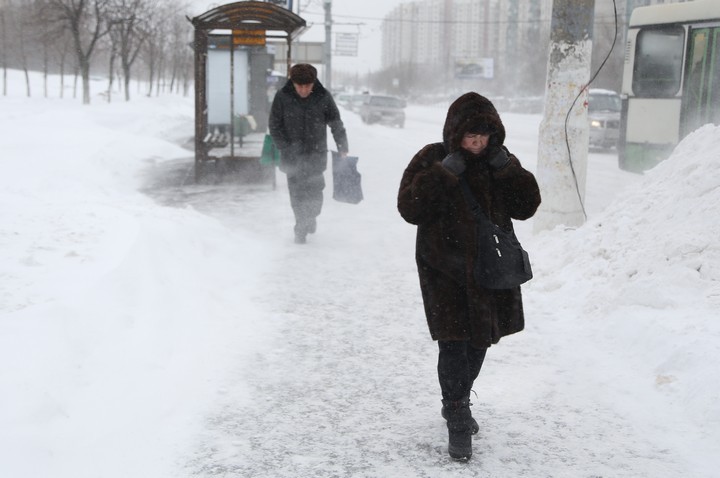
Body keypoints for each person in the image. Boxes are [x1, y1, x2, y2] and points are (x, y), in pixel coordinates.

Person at [397, 92, 541, 461]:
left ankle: (456, 399)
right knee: (453, 340)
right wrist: (444, 173)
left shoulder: (499, 162)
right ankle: (458, 414)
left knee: (480, 341)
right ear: (455, 134)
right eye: (470, 137)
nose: (477, 144)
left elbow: (528, 207)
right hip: (443, 269)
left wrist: (507, 167)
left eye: (484, 137)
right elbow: (409, 208)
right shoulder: (432, 158)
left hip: (489, 269)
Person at [268, 63, 349, 244]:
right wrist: (285, 147)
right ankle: (301, 227)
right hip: (292, 157)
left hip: (316, 155)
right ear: (293, 83)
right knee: (296, 194)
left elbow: (335, 122)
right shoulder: (282, 97)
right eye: (299, 86)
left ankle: (311, 217)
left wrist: (342, 145)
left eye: (307, 86)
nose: (304, 90)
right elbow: (274, 125)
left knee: (315, 193)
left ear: (313, 83)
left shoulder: (323, 97)